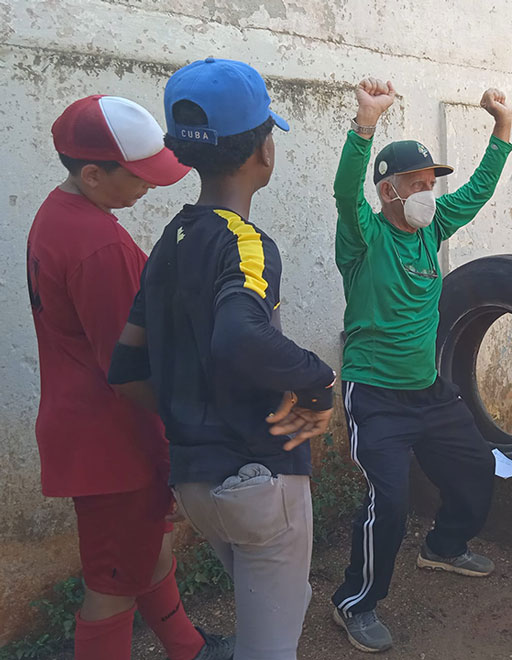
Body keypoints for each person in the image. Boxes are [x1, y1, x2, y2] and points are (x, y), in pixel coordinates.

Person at [108, 58, 336, 660]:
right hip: (258, 477)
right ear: (264, 149)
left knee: (270, 621)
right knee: (271, 648)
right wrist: (319, 383)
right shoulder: (244, 240)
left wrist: (195, 417)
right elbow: (239, 337)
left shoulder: (167, 243)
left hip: (198, 481)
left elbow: (126, 371)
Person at [26, 94, 232, 660]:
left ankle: (187, 647)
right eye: (137, 176)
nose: (148, 188)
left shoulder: (59, 213)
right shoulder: (99, 245)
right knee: (112, 587)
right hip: (114, 438)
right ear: (92, 173)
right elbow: (134, 365)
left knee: (147, 554)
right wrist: (192, 421)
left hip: (93, 427)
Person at [329, 77, 512, 653]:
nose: (429, 193)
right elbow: (343, 192)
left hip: (428, 392)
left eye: (432, 183)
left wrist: (501, 129)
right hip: (377, 396)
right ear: (387, 191)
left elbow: (479, 190)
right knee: (390, 500)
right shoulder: (363, 236)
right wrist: (365, 125)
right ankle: (354, 603)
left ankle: (444, 547)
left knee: (476, 468)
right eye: (417, 184)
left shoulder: (432, 226)